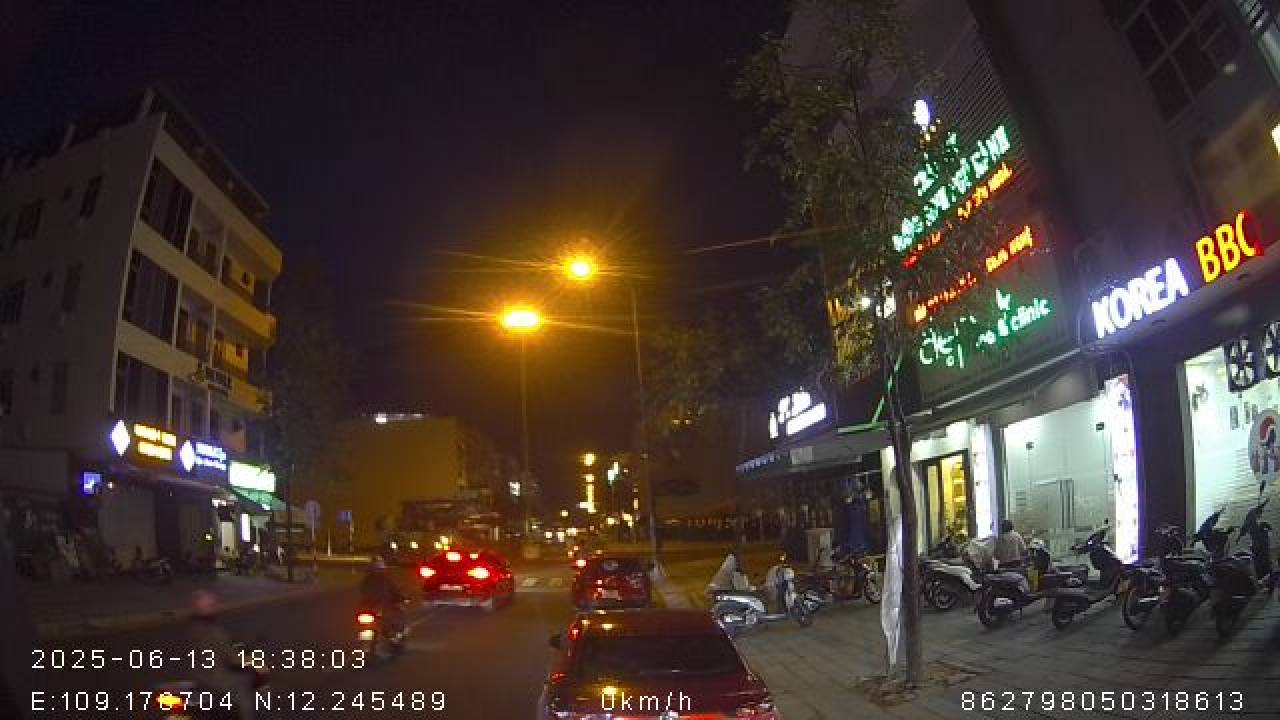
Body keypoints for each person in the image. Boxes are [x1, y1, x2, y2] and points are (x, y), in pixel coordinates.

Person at [188, 590, 256, 720]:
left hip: (200, 675)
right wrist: (251, 660)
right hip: (215, 680)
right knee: (244, 692)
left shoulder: (194, 627)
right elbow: (233, 659)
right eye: (213, 606)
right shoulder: (215, 632)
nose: (216, 608)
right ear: (208, 609)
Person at [359, 556, 406, 636]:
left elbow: (363, 591)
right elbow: (394, 590)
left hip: (370, 606)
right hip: (379, 606)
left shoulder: (367, 580)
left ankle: (394, 632)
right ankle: (395, 632)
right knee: (394, 614)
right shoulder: (385, 579)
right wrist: (402, 598)